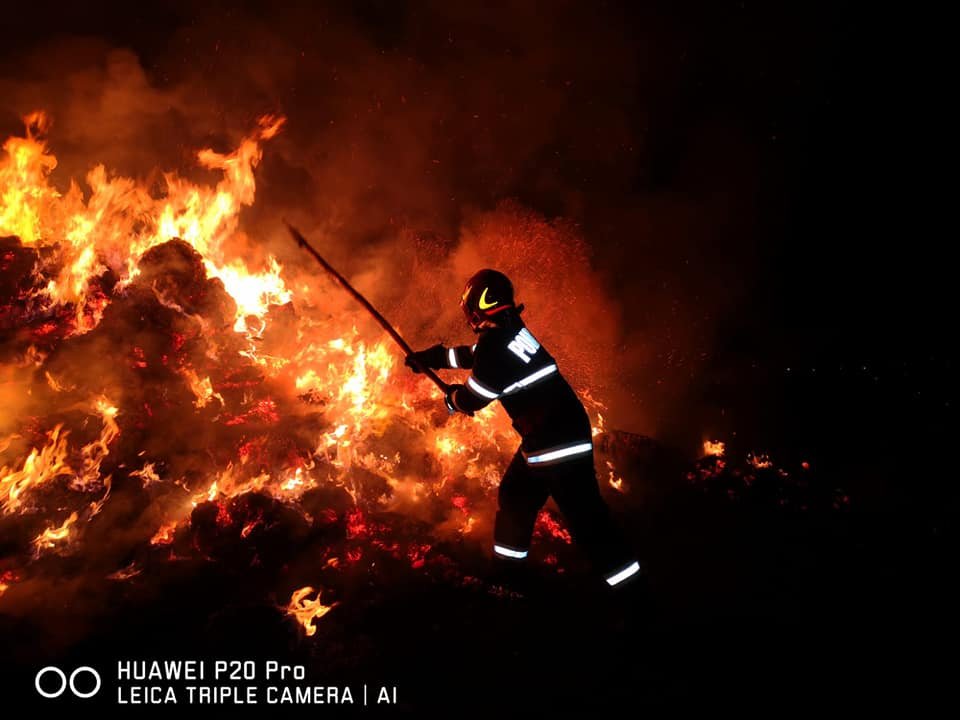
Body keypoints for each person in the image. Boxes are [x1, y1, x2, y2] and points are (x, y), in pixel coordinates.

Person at [406, 269, 642, 594]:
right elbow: (474, 355)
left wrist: (452, 399)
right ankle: (509, 576)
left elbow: (474, 398)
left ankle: (634, 595)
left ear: (475, 309)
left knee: (588, 522)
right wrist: (433, 358)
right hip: (551, 437)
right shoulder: (511, 330)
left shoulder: (495, 345)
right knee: (515, 497)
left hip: (555, 443)